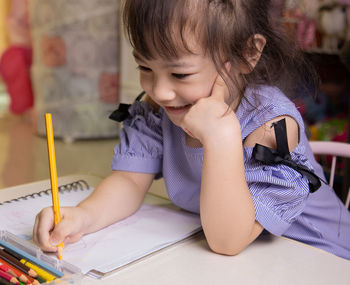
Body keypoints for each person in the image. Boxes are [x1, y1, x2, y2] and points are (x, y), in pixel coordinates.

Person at [33, 0, 350, 260]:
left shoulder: (271, 126)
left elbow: (228, 240)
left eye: (180, 74)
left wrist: (221, 137)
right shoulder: (161, 111)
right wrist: (83, 217)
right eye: (145, 67)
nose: (159, 91)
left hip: (319, 258)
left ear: (247, 53)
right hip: (247, 262)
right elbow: (129, 180)